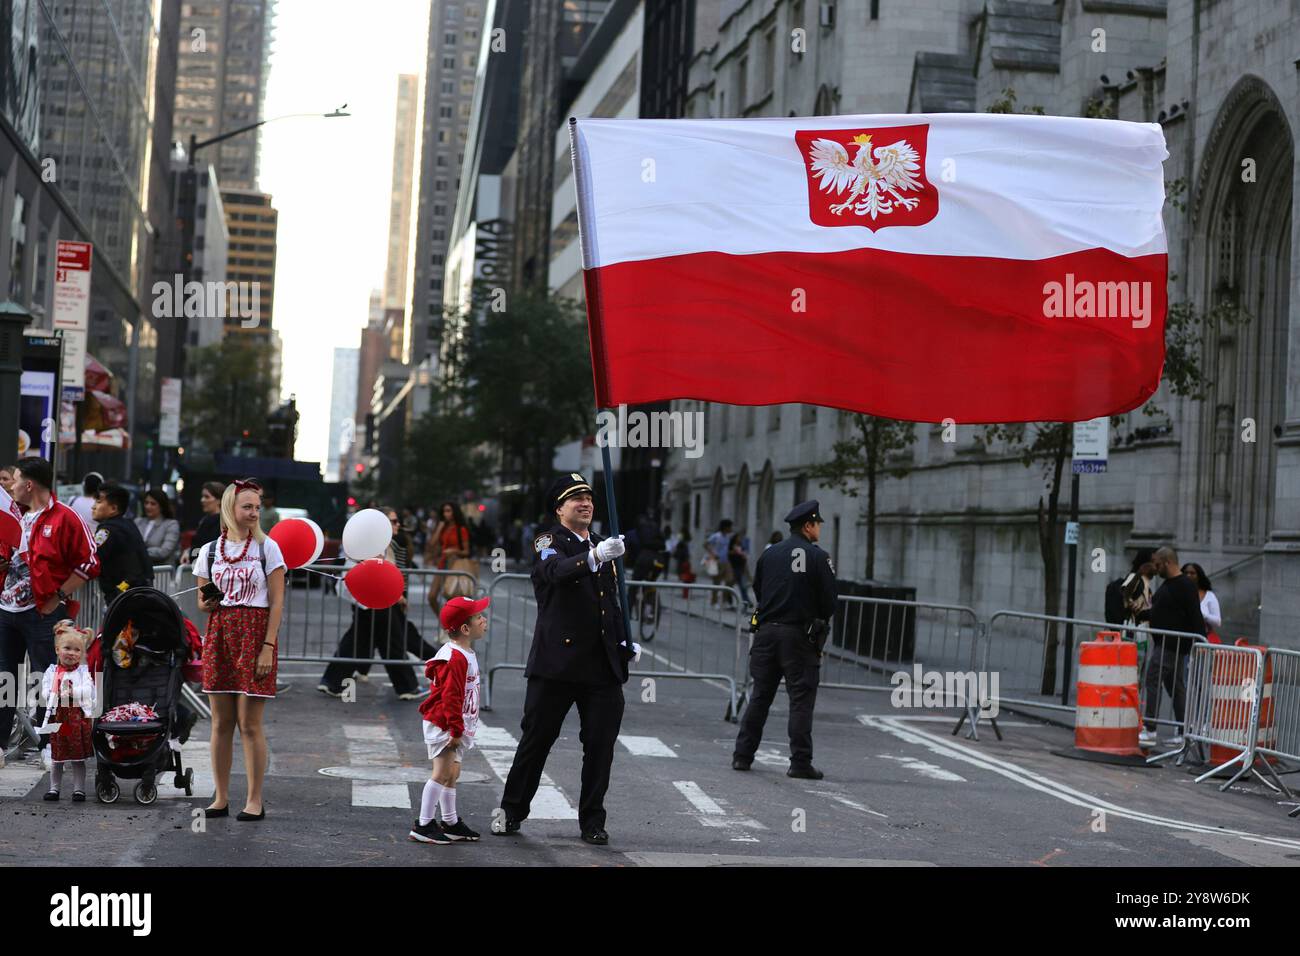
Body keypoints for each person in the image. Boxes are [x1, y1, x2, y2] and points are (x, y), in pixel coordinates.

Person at [496, 473, 636, 845]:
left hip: (602, 666)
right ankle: (511, 810)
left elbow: (611, 601)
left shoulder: (605, 547)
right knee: (537, 740)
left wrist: (625, 641)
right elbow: (554, 573)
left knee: (600, 747)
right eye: (576, 498)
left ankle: (592, 820)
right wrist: (592, 557)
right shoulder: (549, 541)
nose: (586, 503)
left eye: (589, 497)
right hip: (558, 663)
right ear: (559, 508)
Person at [192, 478, 286, 820]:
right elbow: (203, 605)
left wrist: (267, 647)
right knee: (220, 723)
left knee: (250, 723)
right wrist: (209, 601)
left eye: (257, 507)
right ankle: (220, 797)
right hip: (220, 634)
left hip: (255, 633)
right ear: (230, 508)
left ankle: (255, 799)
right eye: (247, 506)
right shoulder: (209, 551)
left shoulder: (267, 548)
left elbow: (277, 603)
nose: (253, 513)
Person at [0, 456, 100, 761]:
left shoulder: (65, 517)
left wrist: (59, 594)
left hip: (43, 613)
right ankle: (1, 743)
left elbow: (90, 561)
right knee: (5, 679)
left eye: (14, 480)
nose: (11, 486)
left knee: (48, 679)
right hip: (7, 610)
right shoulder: (14, 516)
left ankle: (47, 745)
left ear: (28, 485)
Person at [732, 500, 837, 780]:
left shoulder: (770, 554)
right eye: (818, 524)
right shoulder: (818, 557)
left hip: (766, 634)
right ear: (808, 525)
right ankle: (800, 762)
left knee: (760, 697)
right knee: (800, 701)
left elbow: (758, 589)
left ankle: (742, 756)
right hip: (799, 638)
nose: (819, 529)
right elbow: (829, 601)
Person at [409, 595, 489, 845]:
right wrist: (455, 730)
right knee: (441, 773)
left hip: (457, 724)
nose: (484, 619)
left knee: (453, 773)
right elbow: (451, 698)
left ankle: (451, 822)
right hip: (446, 723)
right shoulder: (455, 659)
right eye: (478, 617)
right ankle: (423, 824)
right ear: (465, 629)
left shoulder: (465, 652)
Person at [344, 507, 437, 690]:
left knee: (360, 640)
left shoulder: (387, 545)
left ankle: (332, 681)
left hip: (377, 602)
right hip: (375, 602)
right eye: (393, 521)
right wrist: (398, 596)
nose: (398, 524)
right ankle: (408, 687)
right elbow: (377, 575)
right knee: (392, 642)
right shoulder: (376, 546)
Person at [1140, 546, 1205, 748]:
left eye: (1158, 564)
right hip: (1168, 643)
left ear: (1168, 562)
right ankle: (1183, 730)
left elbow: (1195, 614)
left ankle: (1150, 728)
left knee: (1153, 678)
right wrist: (1144, 613)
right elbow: (1161, 612)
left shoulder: (1184, 585)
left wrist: (1200, 640)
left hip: (1172, 644)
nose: (1155, 568)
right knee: (1176, 687)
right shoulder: (1169, 585)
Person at [39, 622, 95, 801]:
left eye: (77, 650)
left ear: (82, 653)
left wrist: (73, 692)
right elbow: (44, 692)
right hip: (59, 718)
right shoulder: (52, 671)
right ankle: (54, 788)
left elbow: (89, 691)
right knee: (57, 756)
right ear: (57, 649)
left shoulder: (83, 672)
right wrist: (54, 691)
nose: (71, 653)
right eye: (67, 648)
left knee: (78, 758)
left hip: (77, 718)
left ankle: (79, 789)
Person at [91, 484, 155, 603]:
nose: (93, 507)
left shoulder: (108, 530)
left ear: (113, 509)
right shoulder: (128, 525)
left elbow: (92, 558)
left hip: (123, 595)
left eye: (99, 502)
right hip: (140, 590)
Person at [136, 489, 180, 565]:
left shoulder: (171, 524)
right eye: (146, 503)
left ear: (161, 506)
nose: (148, 506)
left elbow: (164, 551)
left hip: (161, 573)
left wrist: (140, 552)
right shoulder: (138, 522)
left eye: (153, 504)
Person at [1182, 562, 1221, 639]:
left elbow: (1217, 622)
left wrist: (1202, 615)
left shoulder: (1209, 595)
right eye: (1186, 573)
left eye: (1192, 573)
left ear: (1199, 576)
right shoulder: (1178, 593)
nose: (1188, 575)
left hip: (1203, 639)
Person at [189, 481, 225, 562]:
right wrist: (187, 551)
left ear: (219, 500)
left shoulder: (222, 523)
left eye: (207, 497)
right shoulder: (205, 520)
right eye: (202, 496)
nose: (202, 500)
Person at [705, 519, 734, 606]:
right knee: (716, 583)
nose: (731, 528)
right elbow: (706, 544)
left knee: (730, 580)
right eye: (730, 527)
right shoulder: (716, 536)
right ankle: (714, 601)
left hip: (726, 561)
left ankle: (724, 599)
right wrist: (713, 553)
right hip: (717, 561)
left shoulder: (728, 537)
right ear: (725, 527)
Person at [728, 531, 752, 604]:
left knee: (743, 587)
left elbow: (744, 559)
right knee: (729, 587)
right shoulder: (731, 547)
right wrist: (734, 552)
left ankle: (747, 602)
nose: (739, 539)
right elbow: (728, 556)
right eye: (738, 538)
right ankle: (729, 601)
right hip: (733, 569)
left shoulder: (741, 547)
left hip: (740, 569)